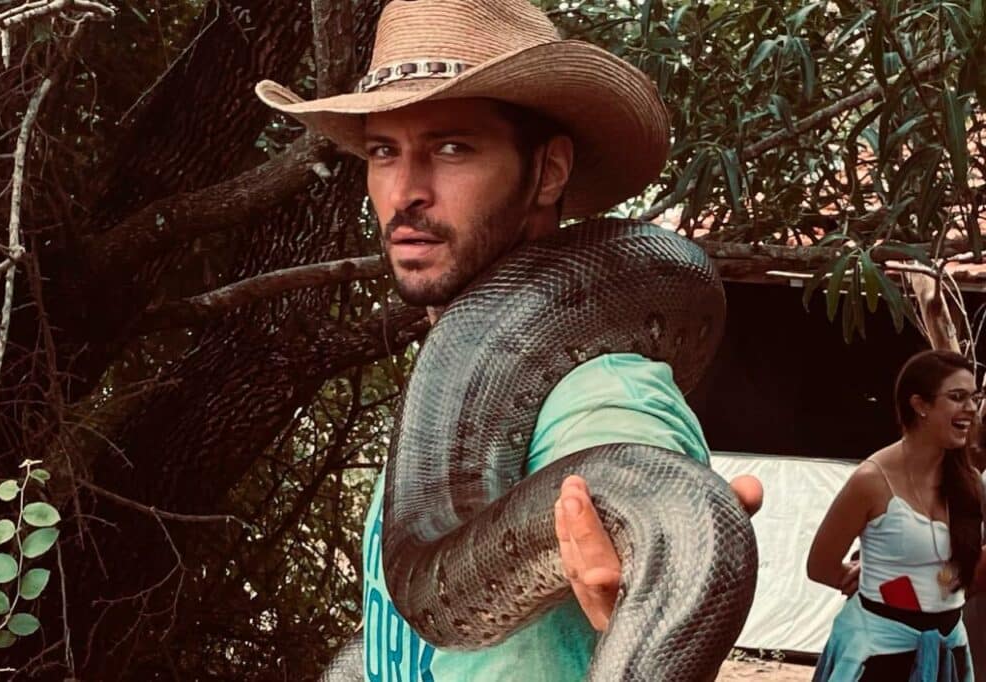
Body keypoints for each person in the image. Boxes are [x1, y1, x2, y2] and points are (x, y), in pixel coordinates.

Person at [256, 0, 762, 679]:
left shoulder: (604, 399)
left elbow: (642, 499)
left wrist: (660, 572)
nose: (405, 191)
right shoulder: (446, 401)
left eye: (452, 148)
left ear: (548, 171)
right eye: (384, 152)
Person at [808, 349, 984, 681]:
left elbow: (970, 571)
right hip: (880, 656)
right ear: (920, 405)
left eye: (974, 398)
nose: (972, 408)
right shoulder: (871, 481)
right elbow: (819, 566)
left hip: (948, 653)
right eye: (957, 397)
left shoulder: (970, 482)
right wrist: (866, 578)